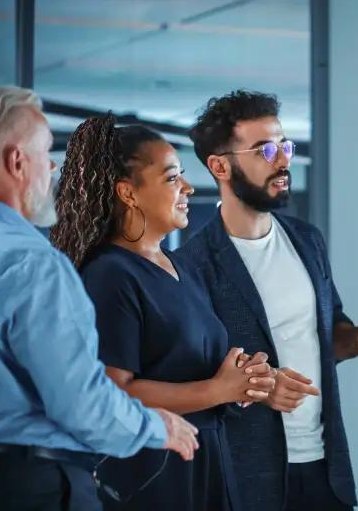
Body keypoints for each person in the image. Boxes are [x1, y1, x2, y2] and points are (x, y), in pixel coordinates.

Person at [0, 86, 199, 510]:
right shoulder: (31, 264)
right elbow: (82, 404)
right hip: (35, 488)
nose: (52, 167)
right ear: (17, 161)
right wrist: (156, 428)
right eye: (46, 152)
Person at [175, 90, 358, 511]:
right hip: (247, 477)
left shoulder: (307, 241)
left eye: (284, 146)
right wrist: (259, 389)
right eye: (265, 150)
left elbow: (326, 335)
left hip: (325, 469)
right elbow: (194, 380)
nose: (283, 160)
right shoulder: (190, 266)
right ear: (220, 165)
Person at [49, 115, 276, 510]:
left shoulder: (180, 267)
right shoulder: (108, 275)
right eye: (172, 178)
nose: (188, 187)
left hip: (206, 463)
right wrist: (217, 389)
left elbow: (193, 367)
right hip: (155, 477)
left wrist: (244, 379)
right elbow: (112, 392)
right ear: (128, 193)